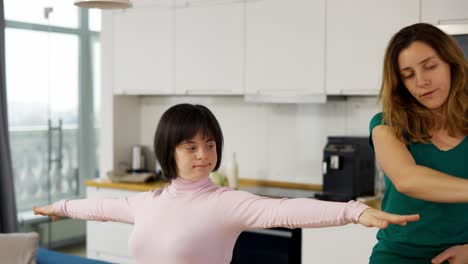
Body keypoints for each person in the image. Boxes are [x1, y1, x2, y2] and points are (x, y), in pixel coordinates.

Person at [34, 104, 419, 264]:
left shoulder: (225, 202)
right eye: (191, 146)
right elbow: (99, 208)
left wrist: (354, 211)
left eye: (210, 145)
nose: (203, 154)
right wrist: (60, 207)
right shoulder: (147, 201)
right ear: (169, 150)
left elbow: (285, 210)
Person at [369, 23, 468, 264]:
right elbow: (407, 180)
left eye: (430, 67)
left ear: (451, 64)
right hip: (397, 258)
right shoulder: (386, 125)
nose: (421, 81)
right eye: (408, 75)